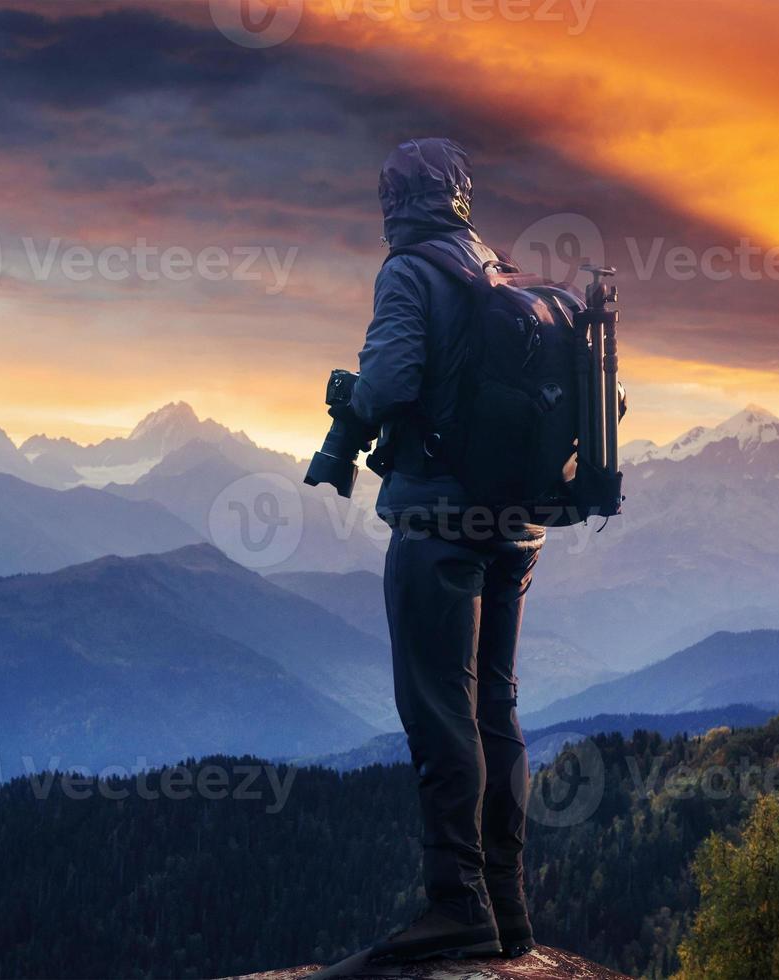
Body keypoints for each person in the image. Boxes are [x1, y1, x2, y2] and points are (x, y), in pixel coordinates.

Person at [344, 137, 542, 962]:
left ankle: (455, 903)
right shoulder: (494, 270)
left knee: (437, 709)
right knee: (494, 707)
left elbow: (389, 384)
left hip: (438, 521)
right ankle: (506, 904)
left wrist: (352, 399)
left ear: (398, 200)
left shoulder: (411, 272)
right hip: (515, 525)